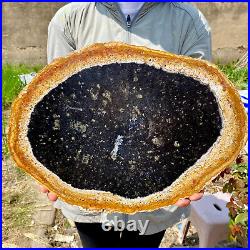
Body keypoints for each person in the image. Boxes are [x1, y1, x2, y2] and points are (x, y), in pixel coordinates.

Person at [40, 2, 210, 248]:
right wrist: (48, 163)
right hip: (87, 183)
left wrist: (202, 164)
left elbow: (199, 104)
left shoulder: (188, 20)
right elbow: (58, 99)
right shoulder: (69, 19)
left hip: (158, 180)